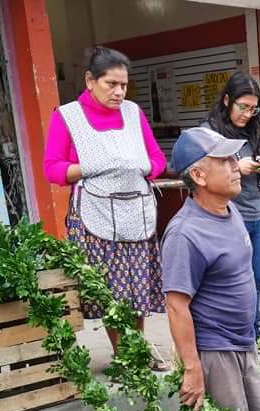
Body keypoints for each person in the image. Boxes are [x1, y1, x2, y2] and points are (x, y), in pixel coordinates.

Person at [43, 46, 169, 367]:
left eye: (123, 85)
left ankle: (138, 349)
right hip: (94, 219)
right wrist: (88, 166)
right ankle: (123, 354)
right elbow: (52, 169)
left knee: (137, 286)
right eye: (111, 84)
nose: (119, 92)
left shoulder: (133, 112)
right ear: (90, 80)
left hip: (136, 214)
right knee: (112, 291)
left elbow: (156, 160)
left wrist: (137, 166)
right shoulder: (68, 116)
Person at [161, 127, 260, 411]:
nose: (234, 165)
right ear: (198, 175)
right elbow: (176, 305)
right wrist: (193, 369)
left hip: (245, 343)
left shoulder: (231, 210)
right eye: (223, 160)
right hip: (216, 350)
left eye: (233, 158)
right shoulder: (185, 234)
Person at [203, 72, 260, 357]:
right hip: (227, 217)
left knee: (256, 279)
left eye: (253, 108)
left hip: (257, 214)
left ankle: (253, 334)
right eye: (243, 107)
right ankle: (232, 339)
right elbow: (199, 173)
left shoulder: (254, 128)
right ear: (227, 100)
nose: (248, 113)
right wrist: (237, 167)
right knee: (230, 282)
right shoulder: (209, 132)